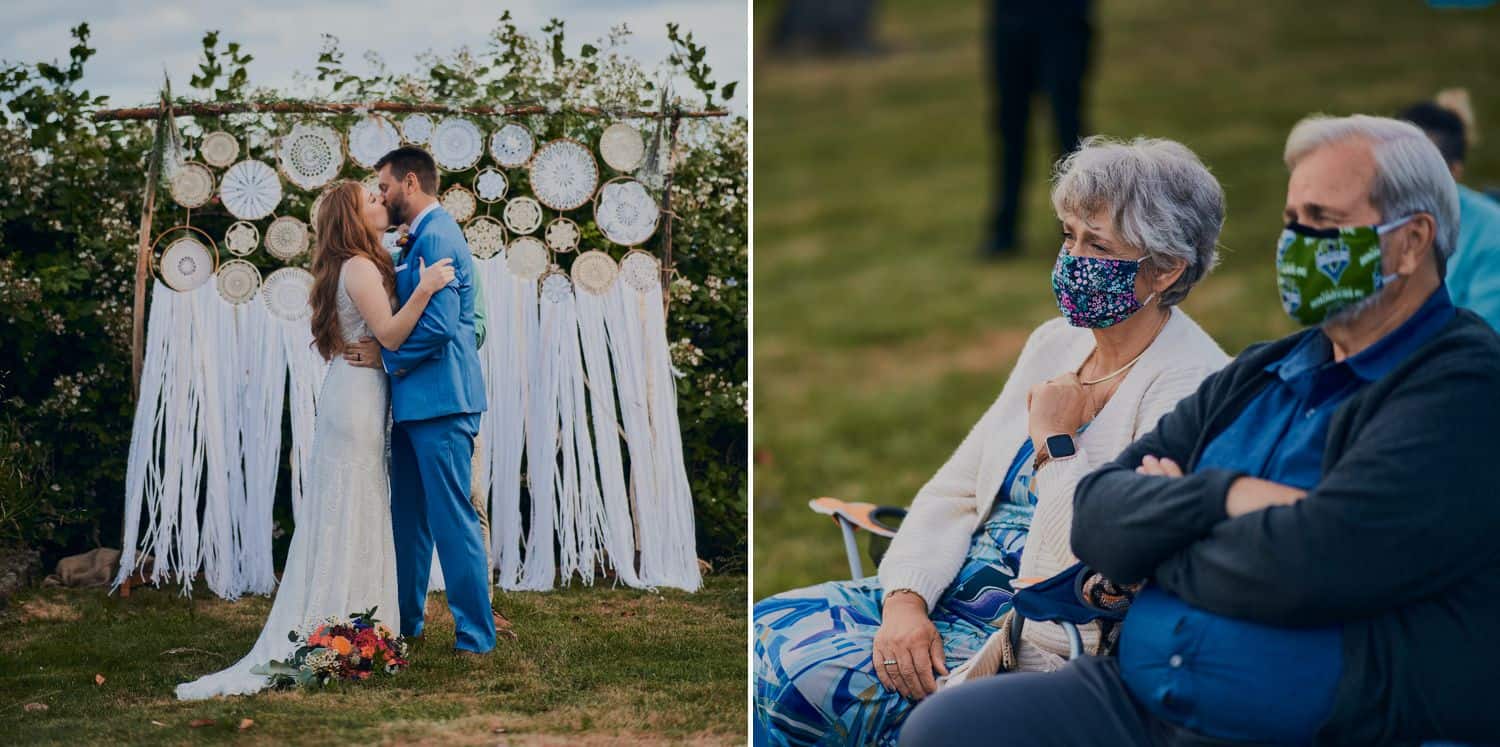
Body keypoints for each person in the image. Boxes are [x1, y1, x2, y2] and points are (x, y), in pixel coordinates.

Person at [901, 115, 1500, 746]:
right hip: (1137, 701)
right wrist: (1226, 499)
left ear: (1410, 243)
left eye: (1322, 223)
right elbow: (1099, 518)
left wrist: (1161, 539)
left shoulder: (1459, 387)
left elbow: (1318, 563)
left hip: (1313, 724)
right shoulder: (1262, 371)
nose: (1296, 241)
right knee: (945, 730)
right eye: (1291, 220)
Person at [754, 136, 1230, 745]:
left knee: (805, 679)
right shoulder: (1056, 344)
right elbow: (955, 490)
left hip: (1032, 637)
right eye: (1067, 236)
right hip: (946, 593)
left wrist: (1057, 441)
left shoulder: (1194, 389)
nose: (1073, 259)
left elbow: (1093, 561)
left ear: (1166, 269)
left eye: (1098, 244)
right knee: (765, 631)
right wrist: (904, 602)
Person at [174, 180, 457, 699]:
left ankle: (355, 623)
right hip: (356, 400)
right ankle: (345, 625)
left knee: (355, 505)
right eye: (371, 201)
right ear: (352, 218)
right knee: (353, 504)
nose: (381, 202)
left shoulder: (356, 263)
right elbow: (391, 335)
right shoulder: (359, 267)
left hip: (356, 394)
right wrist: (427, 287)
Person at [346, 146, 494, 656]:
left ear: (410, 183)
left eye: (384, 186)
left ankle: (476, 635)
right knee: (408, 520)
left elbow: (440, 324)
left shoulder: (438, 233)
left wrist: (387, 361)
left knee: (452, 517)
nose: (381, 195)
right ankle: (406, 623)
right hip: (413, 404)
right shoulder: (414, 239)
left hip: (443, 402)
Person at [981, 0, 1092, 258]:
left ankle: (1079, 231)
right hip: (1010, 19)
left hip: (1062, 19)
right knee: (1010, 127)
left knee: (1068, 129)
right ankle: (1004, 231)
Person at [1399, 99, 1500, 329]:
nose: (1403, 179)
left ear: (1454, 172)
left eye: (1420, 168)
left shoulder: (1493, 235)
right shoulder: (1366, 216)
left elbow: (1485, 339)